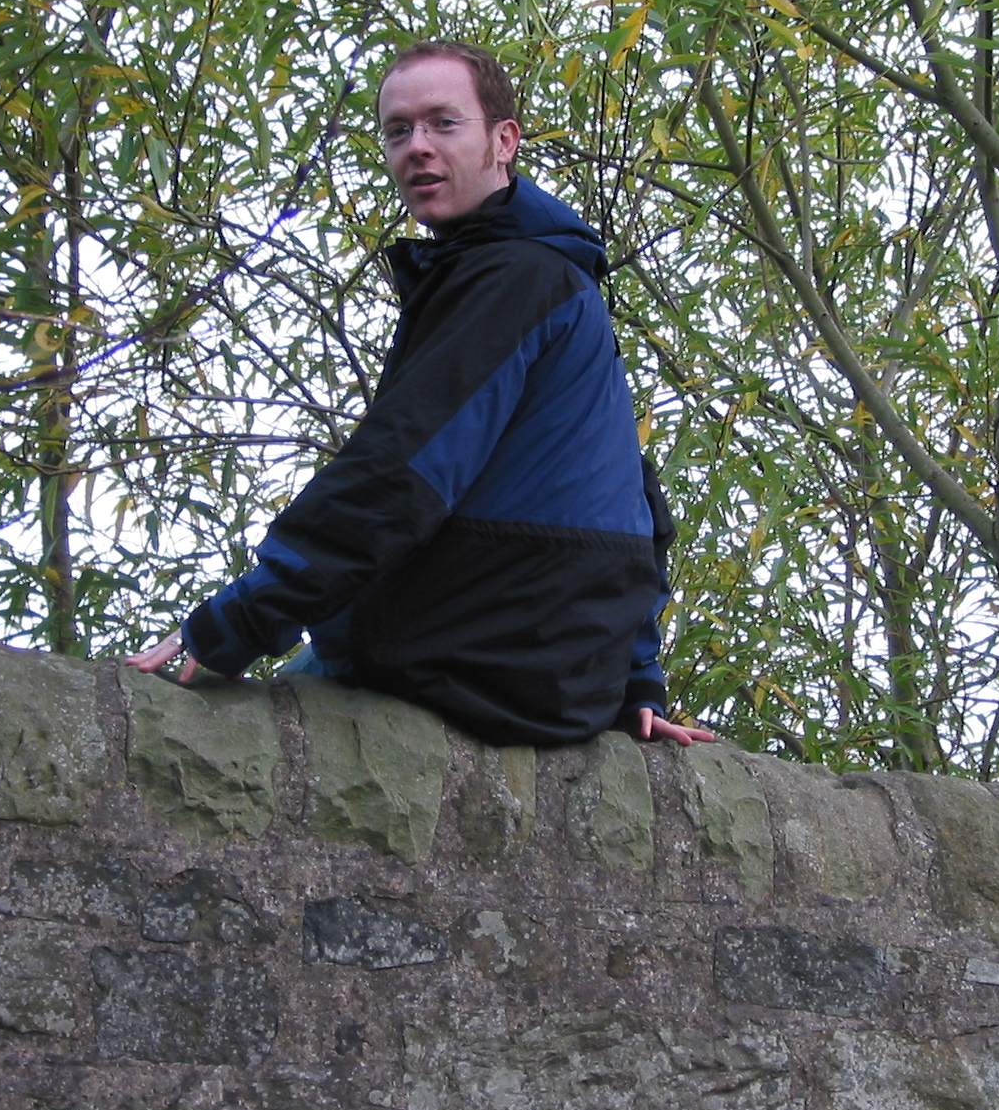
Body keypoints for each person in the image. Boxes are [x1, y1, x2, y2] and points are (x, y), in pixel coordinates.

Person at [128, 41, 713, 748]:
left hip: (487, 657)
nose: (418, 148)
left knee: (210, 728)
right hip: (562, 675)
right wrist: (635, 678)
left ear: (504, 140)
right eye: (398, 130)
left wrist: (239, 621)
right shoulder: (555, 277)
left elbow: (397, 476)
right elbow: (637, 498)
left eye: (443, 123)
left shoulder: (513, 279)